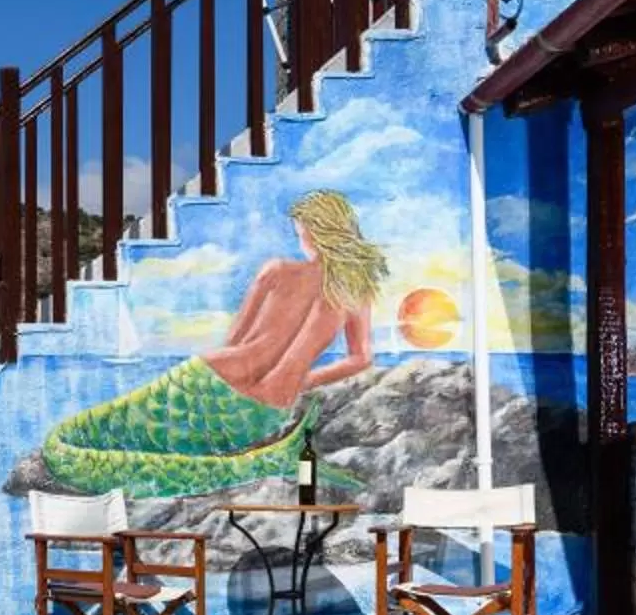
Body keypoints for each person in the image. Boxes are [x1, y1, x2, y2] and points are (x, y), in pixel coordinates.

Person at [40, 189, 385, 498]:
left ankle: (79, 470)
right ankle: (264, 461)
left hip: (211, 379)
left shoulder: (276, 271)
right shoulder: (355, 291)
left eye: (300, 233)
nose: (300, 239)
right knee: (183, 454)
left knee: (102, 429)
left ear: (312, 233)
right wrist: (303, 381)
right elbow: (360, 358)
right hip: (265, 410)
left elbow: (235, 339)